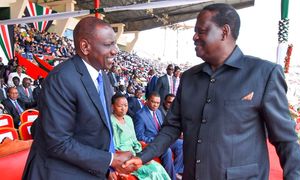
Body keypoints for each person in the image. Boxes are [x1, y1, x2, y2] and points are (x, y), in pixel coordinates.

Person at [124, 3, 300, 180]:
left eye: (201, 31)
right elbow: (171, 127)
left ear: (224, 32)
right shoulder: (188, 78)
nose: (194, 37)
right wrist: (142, 157)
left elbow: (286, 141)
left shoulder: (263, 74)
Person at [22, 17, 135, 180]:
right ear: (85, 46)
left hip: (90, 169)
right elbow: (58, 143)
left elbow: (94, 131)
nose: (115, 50)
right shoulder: (61, 79)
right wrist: (110, 159)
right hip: (60, 173)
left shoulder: (102, 75)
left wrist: (106, 167)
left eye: (115, 43)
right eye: (108, 44)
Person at [110, 93, 170, 179]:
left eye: (126, 105)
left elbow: (135, 139)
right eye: (120, 106)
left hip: (135, 152)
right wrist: (131, 155)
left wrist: (141, 155)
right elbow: (116, 146)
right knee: (153, 172)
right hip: (124, 157)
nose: (123, 109)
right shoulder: (111, 121)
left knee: (158, 167)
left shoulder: (128, 119)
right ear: (113, 106)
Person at [134, 92, 183, 180]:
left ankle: (175, 172)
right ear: (147, 101)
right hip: (153, 142)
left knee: (180, 143)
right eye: (153, 102)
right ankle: (171, 177)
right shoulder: (140, 115)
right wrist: (156, 140)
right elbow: (139, 136)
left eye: (157, 103)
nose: (155, 105)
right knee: (166, 149)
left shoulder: (158, 112)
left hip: (162, 139)